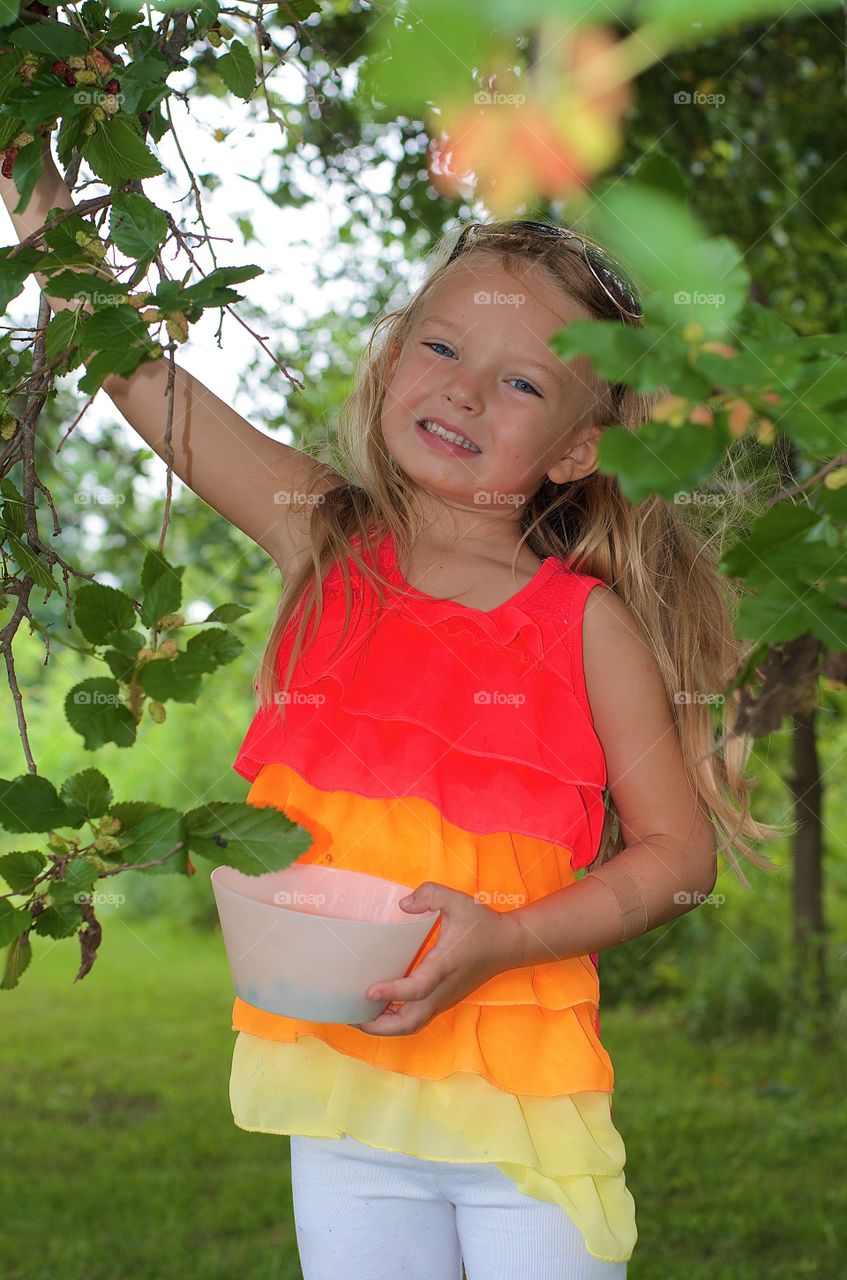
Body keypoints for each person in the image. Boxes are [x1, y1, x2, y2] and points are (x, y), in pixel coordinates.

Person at [2, 148, 782, 1279]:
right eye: (443, 345)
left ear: (577, 448)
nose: (464, 387)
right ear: (393, 358)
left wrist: (505, 939)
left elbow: (678, 859)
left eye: (522, 381)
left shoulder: (583, 627)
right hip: (346, 1096)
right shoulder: (327, 542)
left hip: (520, 1111)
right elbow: (136, 376)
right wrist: (39, 191)